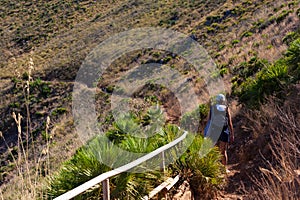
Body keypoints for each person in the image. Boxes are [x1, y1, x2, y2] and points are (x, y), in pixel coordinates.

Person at [204, 94, 234, 171]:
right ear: (223, 101)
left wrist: (206, 132)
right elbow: (230, 122)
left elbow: (209, 121)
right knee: (223, 151)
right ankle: (224, 168)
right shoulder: (226, 108)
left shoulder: (212, 108)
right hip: (224, 130)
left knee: (212, 149)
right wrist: (232, 134)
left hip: (214, 130)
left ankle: (212, 168)